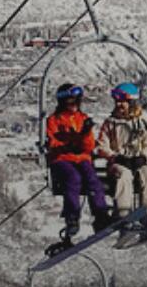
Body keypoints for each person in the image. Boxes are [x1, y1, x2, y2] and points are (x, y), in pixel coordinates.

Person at [46, 83, 113, 237]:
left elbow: (89, 146)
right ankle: (72, 216)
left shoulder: (82, 119)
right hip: (61, 159)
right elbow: (52, 142)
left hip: (82, 158)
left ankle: (100, 214)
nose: (74, 105)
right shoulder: (54, 120)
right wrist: (68, 145)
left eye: (76, 101)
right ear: (63, 102)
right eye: (70, 102)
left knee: (92, 179)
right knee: (73, 177)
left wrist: (85, 133)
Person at [96, 82, 147, 239]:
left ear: (131, 102)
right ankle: (124, 217)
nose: (119, 105)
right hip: (118, 163)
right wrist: (114, 156)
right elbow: (101, 146)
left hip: (136, 161)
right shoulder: (110, 123)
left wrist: (143, 156)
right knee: (123, 175)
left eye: (122, 102)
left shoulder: (142, 121)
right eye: (117, 102)